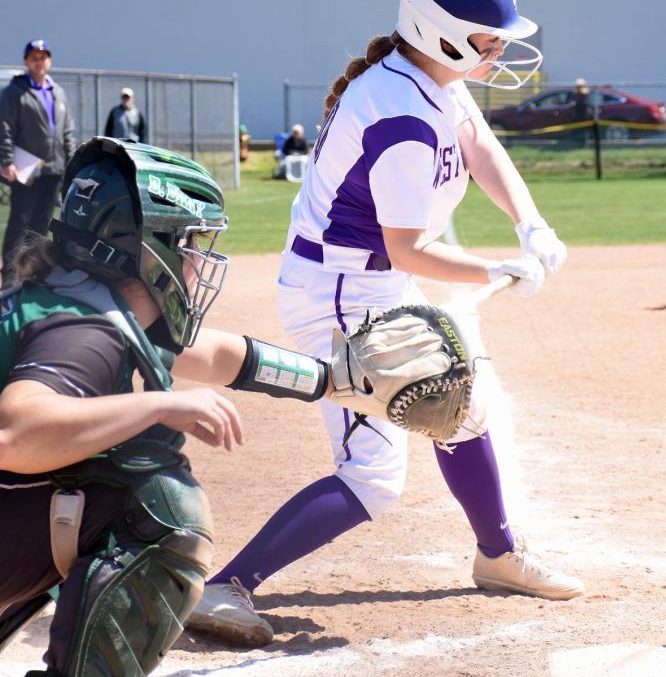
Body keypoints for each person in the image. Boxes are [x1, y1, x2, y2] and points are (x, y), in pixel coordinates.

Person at [185, 0, 583, 649]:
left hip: (369, 282)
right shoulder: (400, 112)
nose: (501, 49)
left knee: (463, 399)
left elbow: (479, 144)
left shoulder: (432, 80)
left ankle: (497, 555)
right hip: (338, 295)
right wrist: (496, 270)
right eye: (489, 38)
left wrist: (530, 221)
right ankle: (227, 584)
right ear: (443, 35)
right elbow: (409, 251)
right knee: (373, 476)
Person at [0, 136, 430, 675]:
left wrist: (332, 382)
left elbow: (218, 356)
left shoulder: (79, 293)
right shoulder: (84, 332)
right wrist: (157, 406)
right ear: (148, 245)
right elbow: (17, 434)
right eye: (191, 243)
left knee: (102, 465)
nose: (200, 261)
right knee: (154, 501)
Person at [0, 39, 76, 287]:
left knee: (42, 225)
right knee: (20, 224)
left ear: (49, 60)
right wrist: (6, 161)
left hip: (54, 170)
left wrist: (73, 162)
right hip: (26, 170)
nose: (39, 60)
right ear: (26, 61)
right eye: (34, 56)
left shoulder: (58, 91)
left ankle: (34, 276)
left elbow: (67, 132)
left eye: (43, 56)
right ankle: (11, 280)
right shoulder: (15, 92)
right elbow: (5, 129)